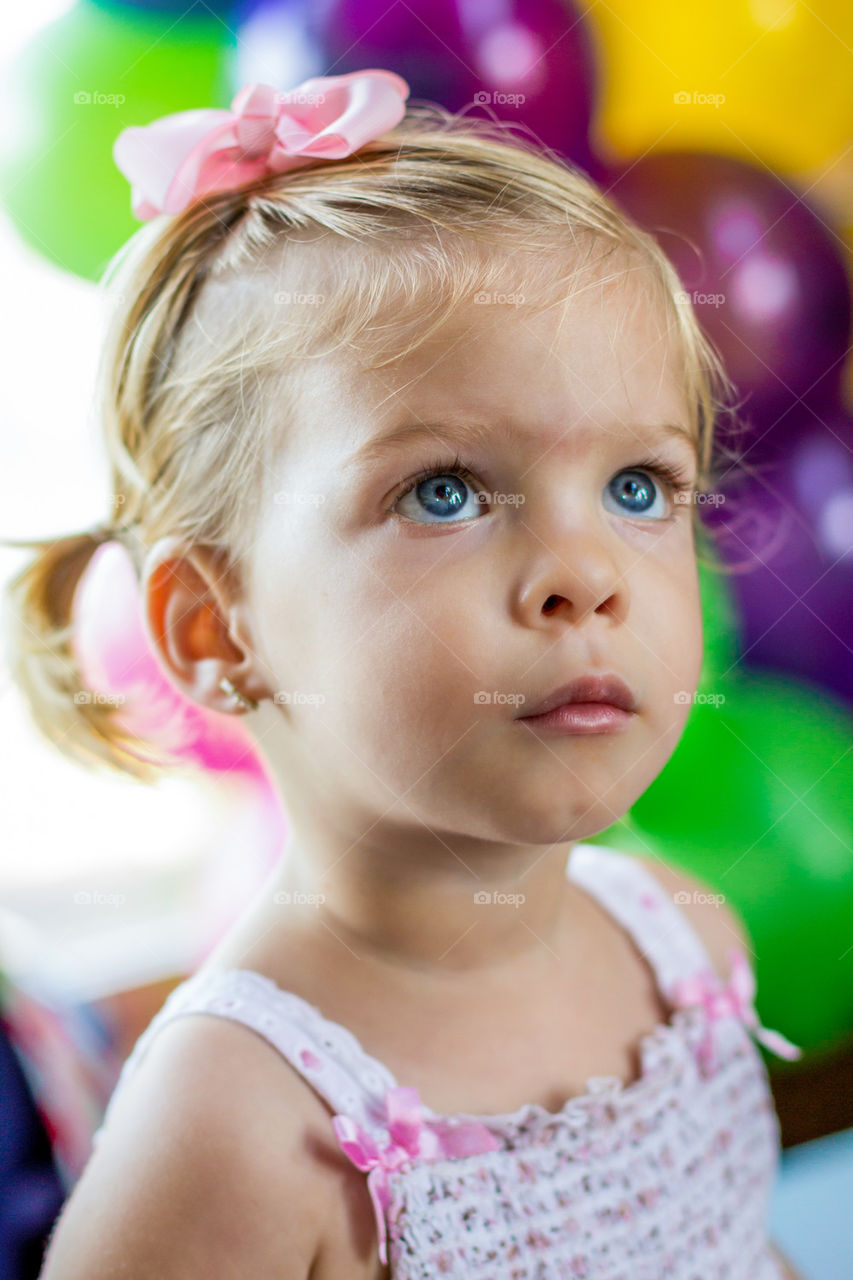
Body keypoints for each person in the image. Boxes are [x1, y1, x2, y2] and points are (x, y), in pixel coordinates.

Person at [4, 69, 804, 1279]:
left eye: (638, 486)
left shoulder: (689, 944)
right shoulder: (239, 1128)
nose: (586, 575)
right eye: (445, 491)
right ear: (218, 628)